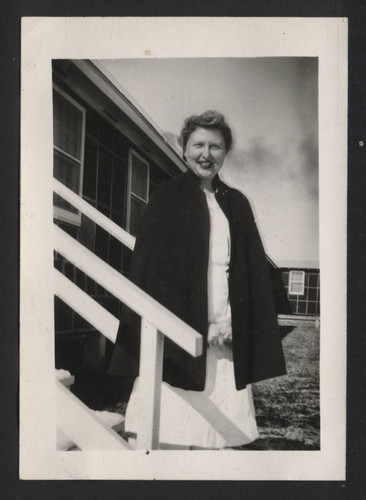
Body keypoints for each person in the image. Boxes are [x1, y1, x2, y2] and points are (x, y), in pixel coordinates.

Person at [109, 110, 286, 449]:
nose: (206, 154)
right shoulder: (166, 197)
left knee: (218, 444)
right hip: (178, 342)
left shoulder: (236, 204)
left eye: (216, 147)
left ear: (226, 152)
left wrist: (238, 323)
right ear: (184, 148)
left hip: (226, 344)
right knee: (168, 439)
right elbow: (151, 276)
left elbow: (254, 277)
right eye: (198, 145)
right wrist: (198, 327)